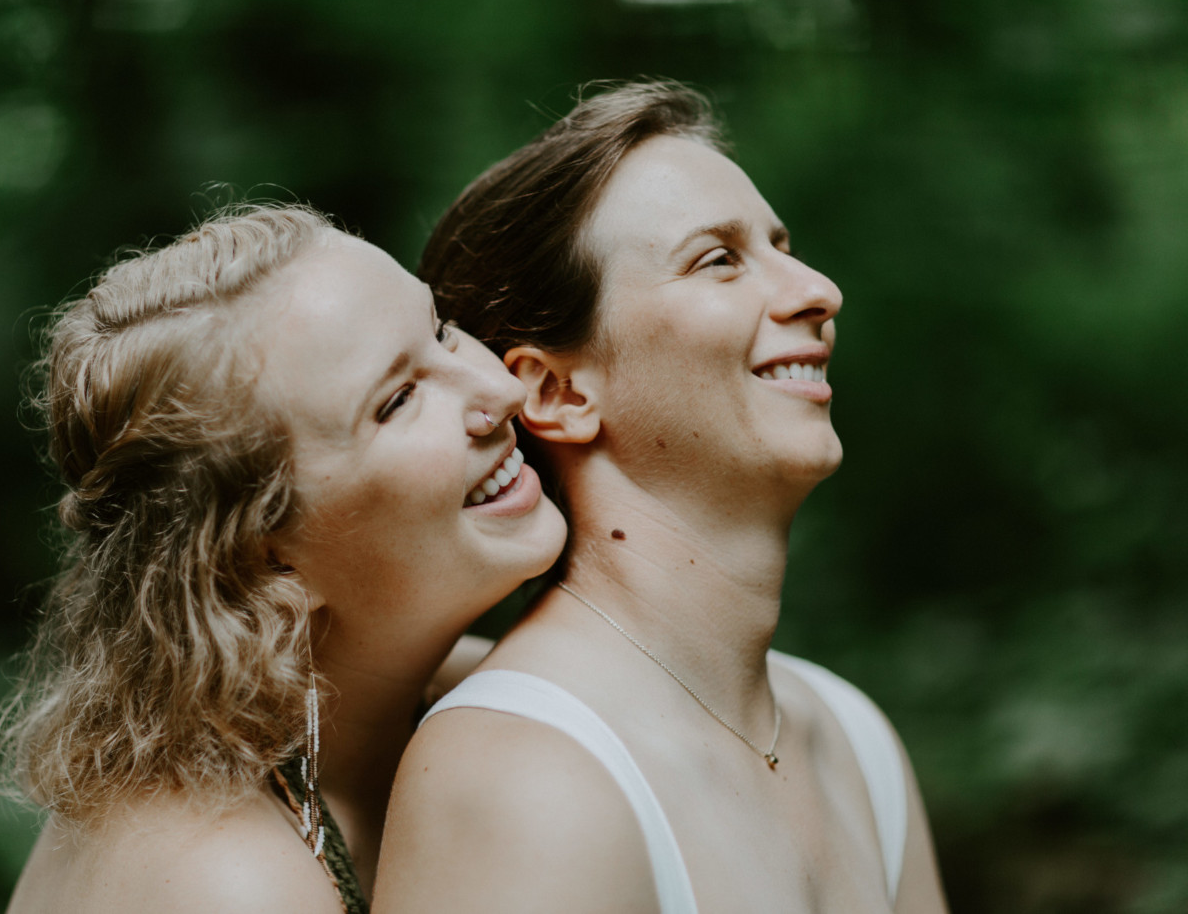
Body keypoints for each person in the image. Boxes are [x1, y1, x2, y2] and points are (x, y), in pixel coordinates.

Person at [374, 81, 948, 912]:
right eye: (717, 259)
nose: (819, 290)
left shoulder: (853, 738)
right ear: (558, 393)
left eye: (783, 246)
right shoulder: (520, 774)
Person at [0, 204, 566, 913]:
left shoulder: (432, 697)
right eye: (399, 400)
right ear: (264, 567)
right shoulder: (230, 880)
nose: (502, 389)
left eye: (442, 328)